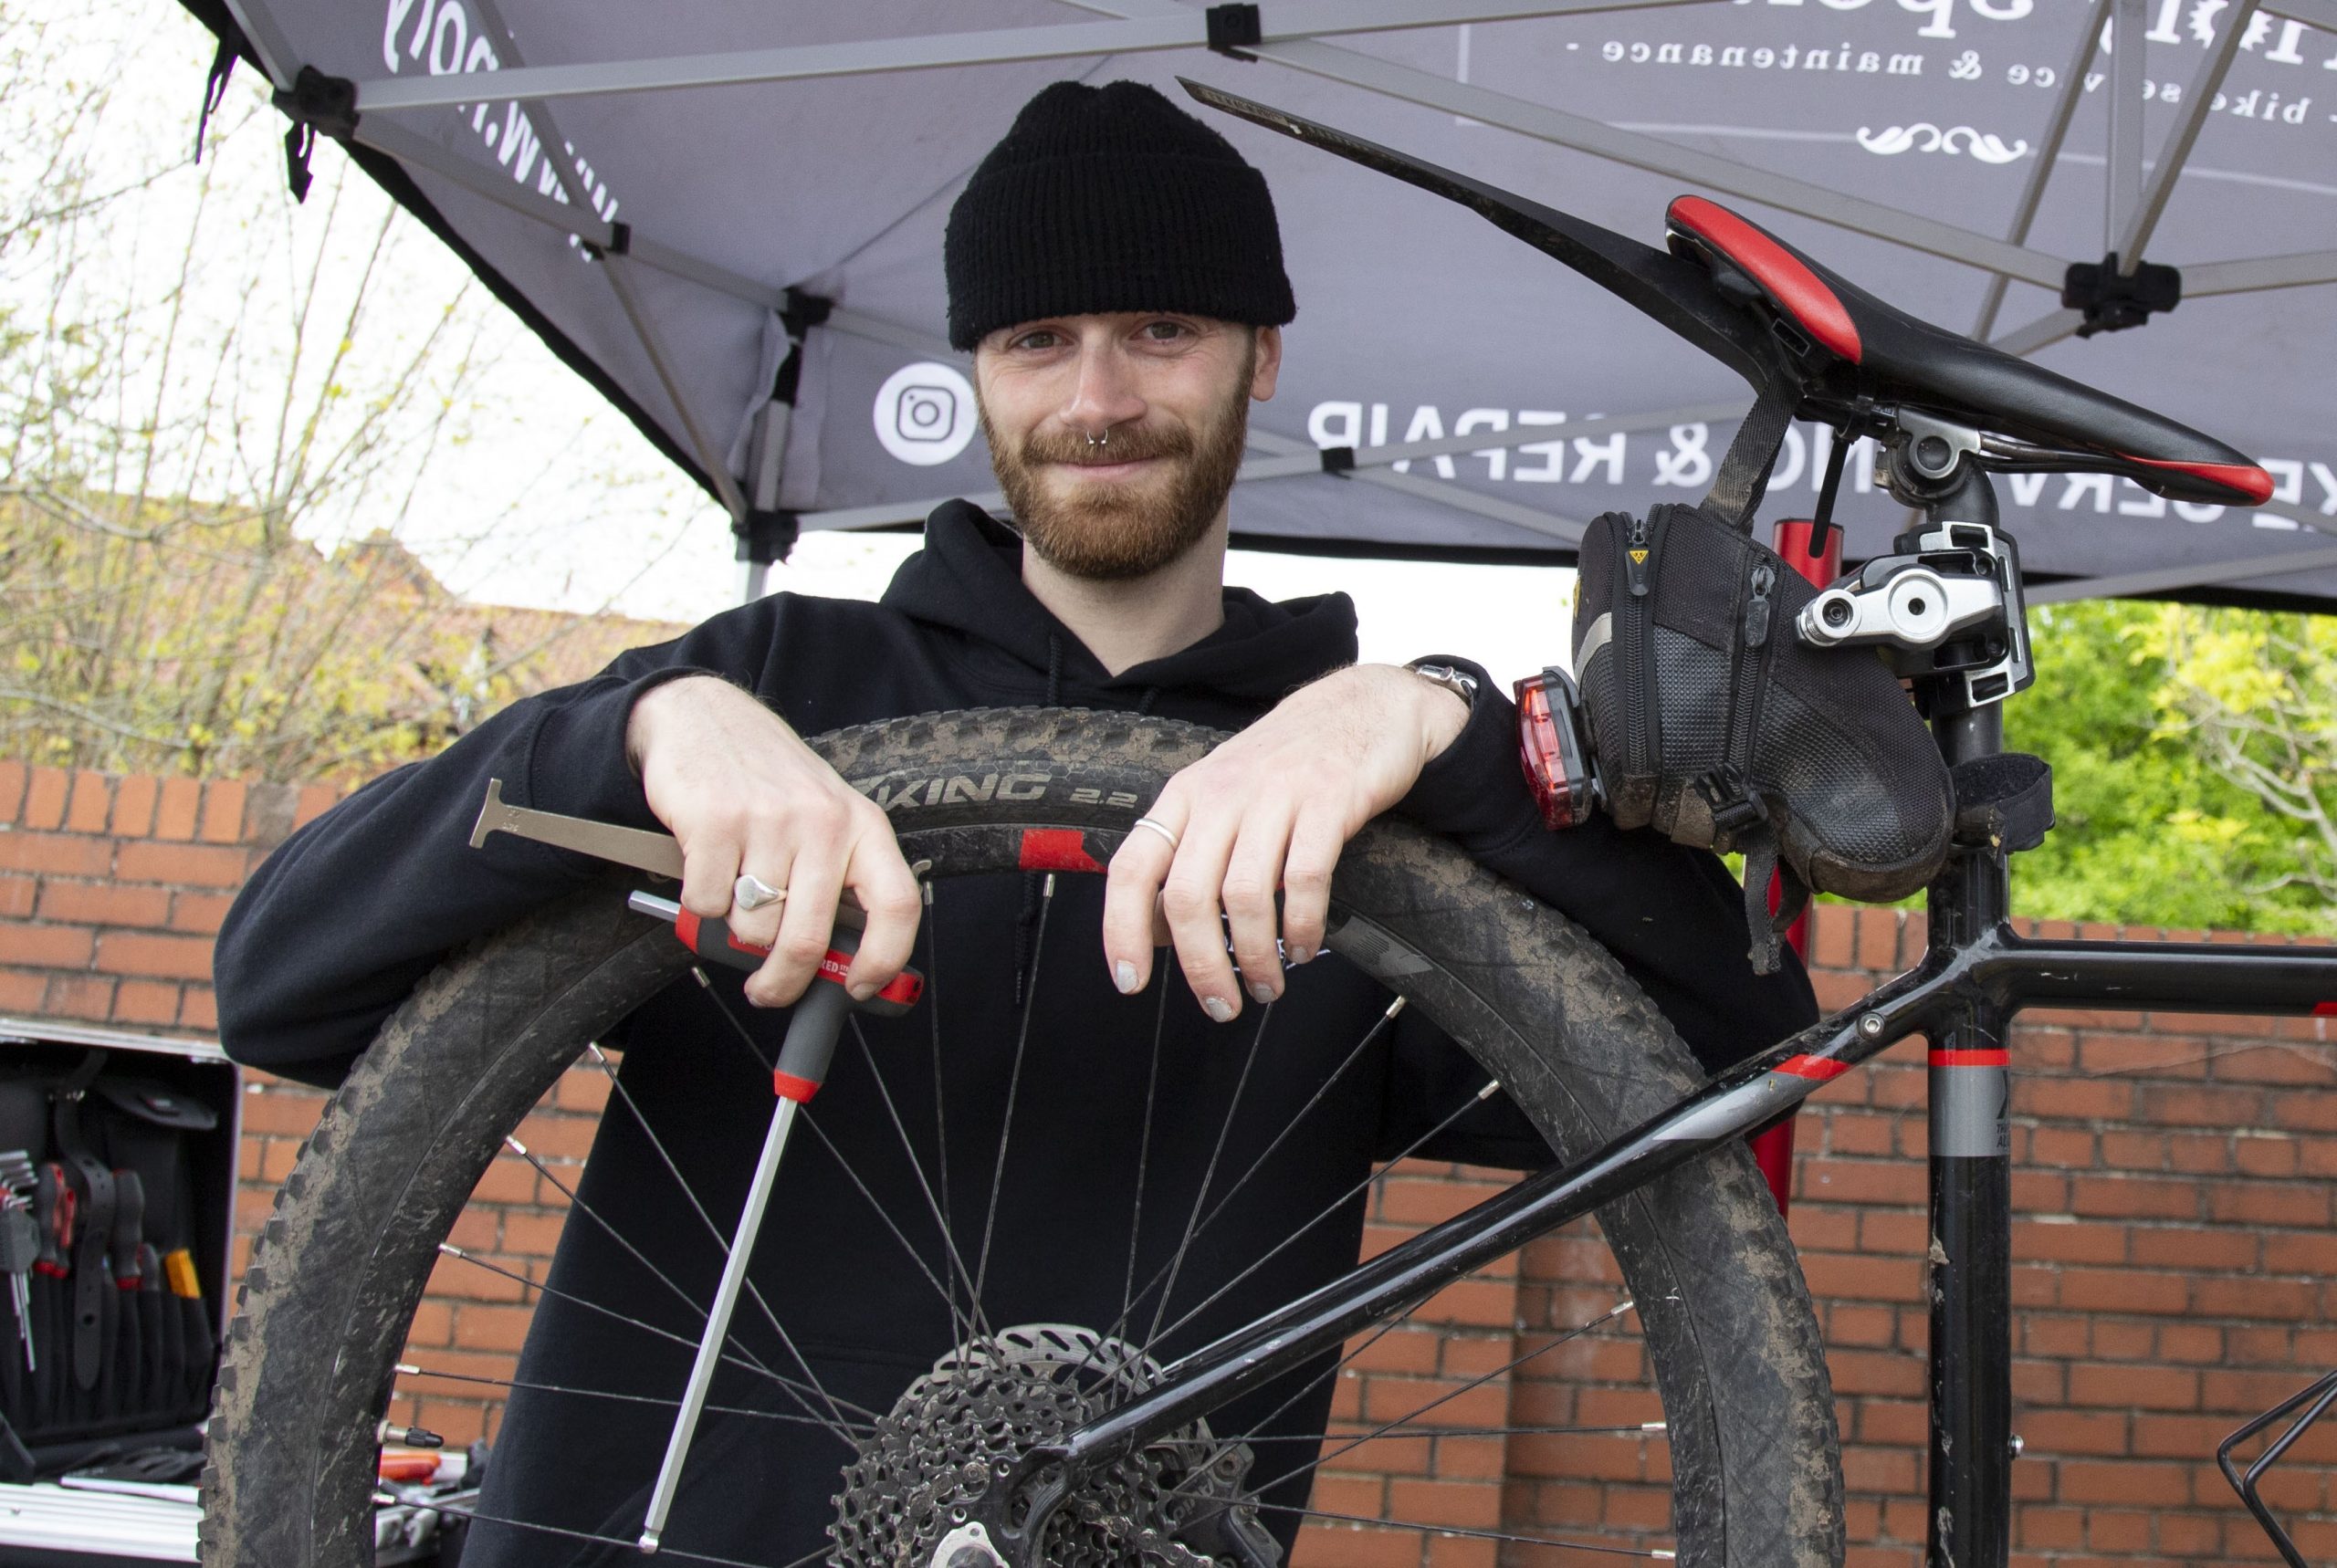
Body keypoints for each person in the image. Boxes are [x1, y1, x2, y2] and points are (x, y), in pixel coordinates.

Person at [215, 80, 1816, 1566]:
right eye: (1039, 338)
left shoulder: (1346, 793)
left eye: (1161, 329)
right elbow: (277, 987)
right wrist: (634, 728)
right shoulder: (777, 692)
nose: (1098, 397)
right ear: (975, 366)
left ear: (1262, 353)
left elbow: (1739, 1081)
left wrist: (1440, 724)